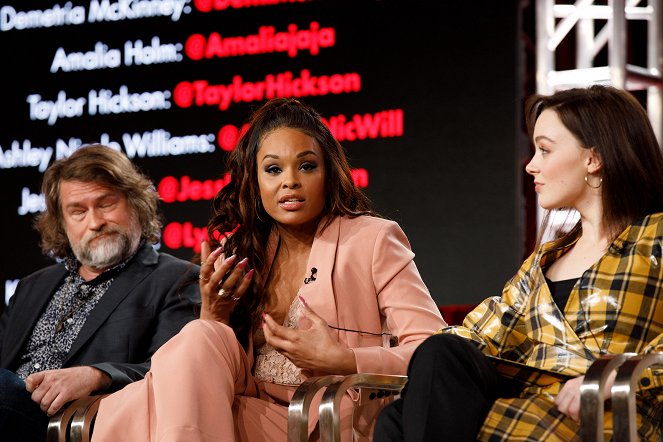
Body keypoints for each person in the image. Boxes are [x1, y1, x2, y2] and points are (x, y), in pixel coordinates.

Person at [90, 98, 445, 441]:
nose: (290, 181)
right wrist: (215, 313)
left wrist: (344, 359)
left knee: (146, 405)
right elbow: (215, 363)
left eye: (307, 166)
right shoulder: (243, 250)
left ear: (329, 173)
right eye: (273, 169)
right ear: (255, 181)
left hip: (325, 419)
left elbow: (436, 352)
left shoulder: (371, 239)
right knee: (197, 339)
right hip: (244, 408)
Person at [374, 84, 663, 441]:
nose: (531, 165)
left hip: (604, 417)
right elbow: (477, 336)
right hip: (528, 412)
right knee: (414, 393)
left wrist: (615, 374)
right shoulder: (544, 262)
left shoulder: (656, 236)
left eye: (544, 150)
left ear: (593, 157)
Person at [0, 144, 200, 441]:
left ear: (135, 204)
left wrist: (97, 375)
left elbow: (178, 376)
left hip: (75, 423)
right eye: (78, 211)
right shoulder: (32, 286)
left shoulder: (176, 278)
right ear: (62, 222)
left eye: (106, 204)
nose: (95, 223)